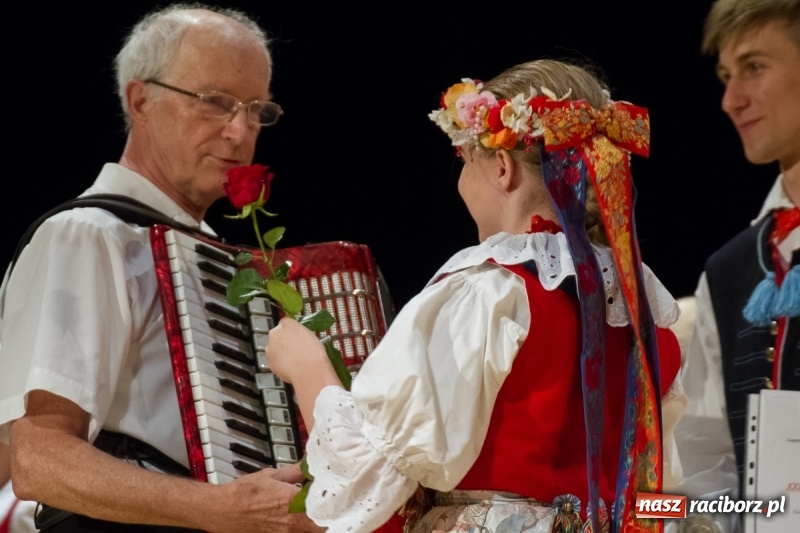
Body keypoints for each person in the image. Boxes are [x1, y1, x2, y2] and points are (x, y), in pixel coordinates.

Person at [265, 59, 686, 533]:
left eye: (465, 162)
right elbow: (658, 496)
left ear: (502, 168)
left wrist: (307, 369)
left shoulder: (487, 294)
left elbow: (370, 473)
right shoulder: (643, 314)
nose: (462, 183)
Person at [0, 4, 322, 532]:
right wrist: (224, 509)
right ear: (140, 99)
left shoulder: (217, 255)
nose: (239, 132)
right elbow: (40, 462)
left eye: (257, 110)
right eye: (216, 103)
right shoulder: (89, 235)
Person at [674, 0, 800, 525]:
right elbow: (713, 469)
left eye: (754, 67)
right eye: (727, 76)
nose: (731, 99)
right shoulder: (728, 272)